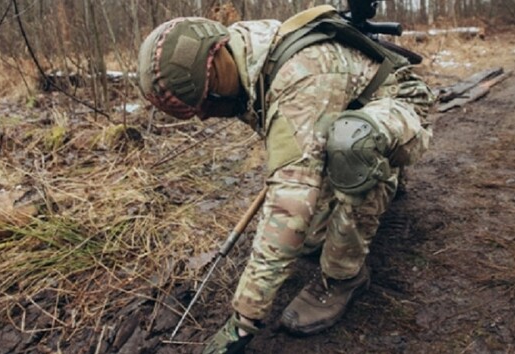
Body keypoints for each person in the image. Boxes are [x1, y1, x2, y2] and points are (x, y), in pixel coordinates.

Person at [136, 5, 433, 353]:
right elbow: (293, 153)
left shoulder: (298, 74)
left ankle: (344, 278)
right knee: (307, 240)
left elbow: (289, 203)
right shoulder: (244, 53)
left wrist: (243, 322)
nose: (205, 116)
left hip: (400, 105)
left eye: (205, 102)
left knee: (351, 145)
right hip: (349, 106)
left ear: (216, 63)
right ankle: (371, 177)